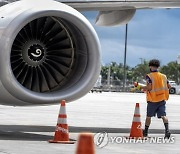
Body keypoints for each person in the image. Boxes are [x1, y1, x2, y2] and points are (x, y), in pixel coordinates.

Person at [134, 59, 171, 138]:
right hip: (162, 99)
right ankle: (167, 130)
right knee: (163, 115)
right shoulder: (164, 76)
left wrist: (139, 86)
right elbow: (169, 86)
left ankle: (146, 132)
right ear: (158, 67)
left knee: (149, 116)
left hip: (153, 100)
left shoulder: (149, 76)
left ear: (150, 66)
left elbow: (149, 87)